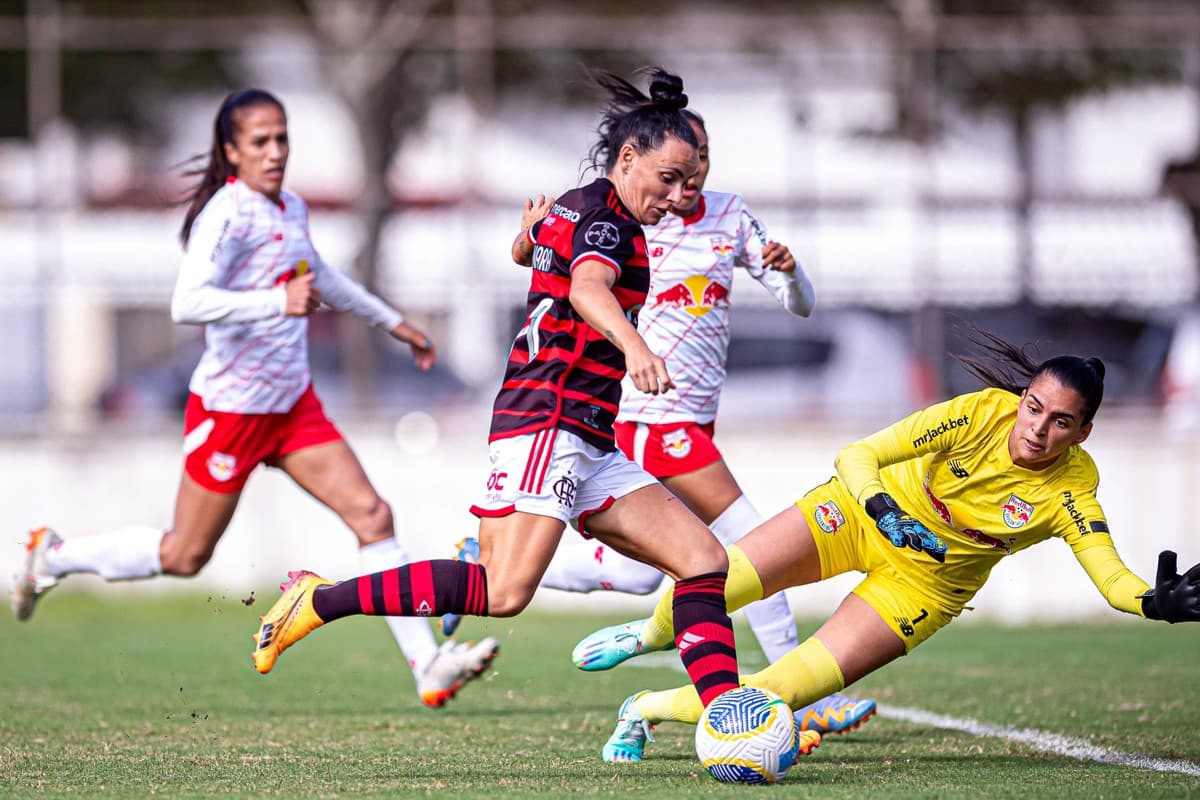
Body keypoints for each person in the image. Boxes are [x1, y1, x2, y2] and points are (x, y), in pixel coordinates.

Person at [246, 69, 793, 748]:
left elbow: (532, 254)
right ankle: (319, 600)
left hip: (586, 434)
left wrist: (525, 237)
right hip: (550, 422)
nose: (680, 196)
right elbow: (590, 287)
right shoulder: (611, 227)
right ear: (628, 159)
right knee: (503, 593)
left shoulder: (577, 202)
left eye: (690, 182)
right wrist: (635, 346)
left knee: (704, 561)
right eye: (669, 178)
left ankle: (726, 718)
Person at [10, 88, 499, 709]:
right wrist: (277, 302)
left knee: (373, 517)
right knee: (185, 555)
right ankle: (54, 557)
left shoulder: (290, 206)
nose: (275, 152)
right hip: (232, 413)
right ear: (231, 151)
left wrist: (393, 322)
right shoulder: (226, 215)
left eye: (282, 138)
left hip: (293, 409)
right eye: (261, 141)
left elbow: (318, 275)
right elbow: (187, 303)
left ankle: (427, 665)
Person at [439, 108, 875, 736]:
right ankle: (791, 699)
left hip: (690, 415)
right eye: (676, 171)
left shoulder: (726, 215)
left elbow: (798, 306)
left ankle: (481, 559)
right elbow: (572, 273)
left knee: (647, 573)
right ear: (643, 161)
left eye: (697, 169)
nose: (684, 187)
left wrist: (790, 271)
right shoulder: (631, 212)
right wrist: (535, 244)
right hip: (649, 417)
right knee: (754, 547)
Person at [574, 329, 1200, 762]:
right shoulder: (982, 412)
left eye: (1059, 422)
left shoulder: (1073, 491)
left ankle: (644, 706)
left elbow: (1110, 575)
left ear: (1083, 432)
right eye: (1033, 407)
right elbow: (859, 454)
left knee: (776, 695)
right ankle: (652, 634)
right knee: (717, 577)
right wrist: (882, 508)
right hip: (856, 514)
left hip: (925, 586)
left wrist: (1152, 602)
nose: (1035, 429)